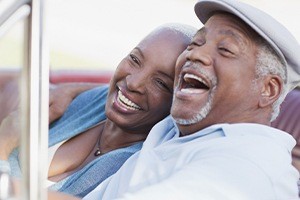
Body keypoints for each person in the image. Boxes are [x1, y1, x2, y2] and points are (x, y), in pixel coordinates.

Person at [47, 0, 300, 199]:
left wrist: (9, 188)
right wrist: (72, 90)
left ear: (268, 90)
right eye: (197, 43)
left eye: (225, 50)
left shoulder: (245, 166)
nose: (196, 55)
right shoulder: (183, 128)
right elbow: (134, 88)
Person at [0, 23, 197, 197]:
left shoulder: (132, 168)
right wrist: (71, 89)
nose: (133, 82)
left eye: (161, 83)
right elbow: (106, 89)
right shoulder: (94, 102)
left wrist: (4, 142)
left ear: (179, 100)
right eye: (135, 60)